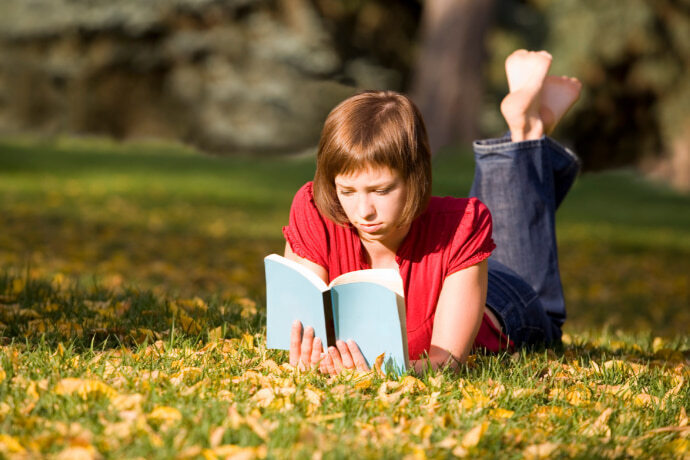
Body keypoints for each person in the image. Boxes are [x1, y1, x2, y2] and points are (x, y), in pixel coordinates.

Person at [281, 50, 582, 375]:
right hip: (457, 268)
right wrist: (308, 357)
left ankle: (527, 129)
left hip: (498, 300)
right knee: (462, 231)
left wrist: (376, 373)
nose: (363, 211)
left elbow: (447, 362)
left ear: (416, 177)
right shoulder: (314, 210)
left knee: (548, 319)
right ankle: (530, 129)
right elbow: (303, 332)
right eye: (348, 191)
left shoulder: (463, 225)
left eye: (381, 191)